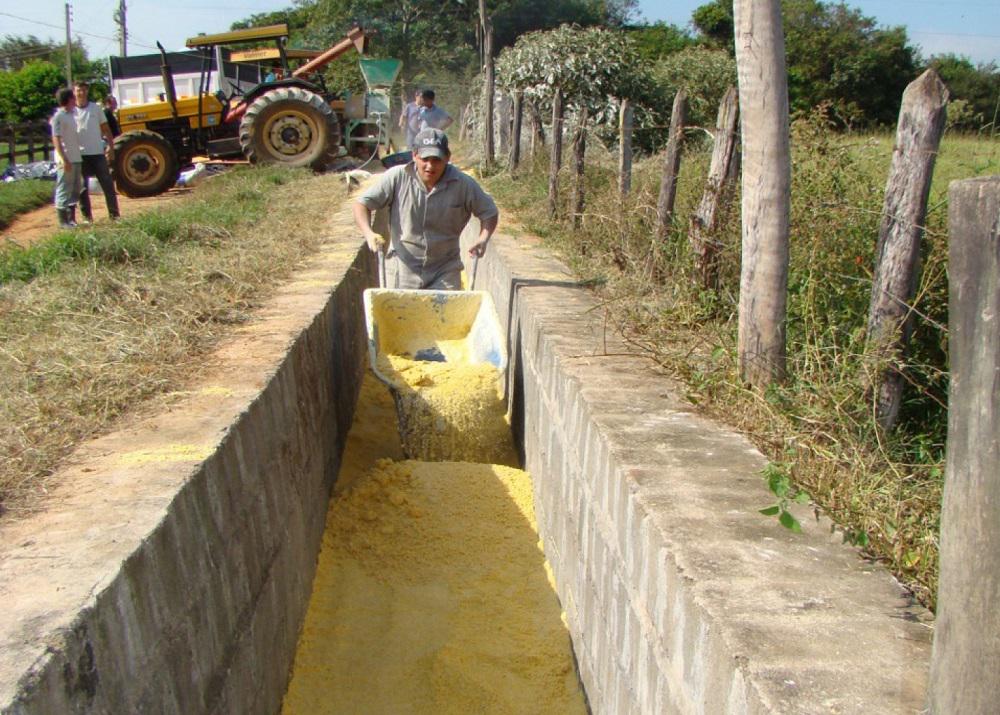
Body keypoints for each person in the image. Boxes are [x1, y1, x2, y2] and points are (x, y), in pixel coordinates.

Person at [353, 128, 498, 290]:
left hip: (444, 270)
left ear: (447, 158)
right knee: (399, 314)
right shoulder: (397, 177)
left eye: (436, 160)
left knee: (447, 314)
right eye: (425, 159)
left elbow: (489, 212)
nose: (430, 166)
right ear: (414, 155)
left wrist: (483, 239)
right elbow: (362, 204)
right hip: (403, 267)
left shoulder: (463, 184)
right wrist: (368, 233)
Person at [74, 81, 120, 222]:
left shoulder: (96, 108)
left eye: (83, 90)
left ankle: (114, 215)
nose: (81, 93)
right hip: (80, 154)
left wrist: (111, 147)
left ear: (87, 91)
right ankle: (87, 217)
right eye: (78, 90)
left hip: (97, 152)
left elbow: (106, 129)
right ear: (74, 92)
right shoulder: (71, 111)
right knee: (82, 188)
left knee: (107, 184)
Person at [50, 87, 83, 228]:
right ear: (69, 99)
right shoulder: (59, 117)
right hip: (66, 159)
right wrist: (64, 159)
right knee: (64, 187)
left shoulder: (71, 115)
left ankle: (71, 219)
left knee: (75, 188)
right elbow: (56, 139)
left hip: (76, 157)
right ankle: (63, 221)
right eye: (73, 98)